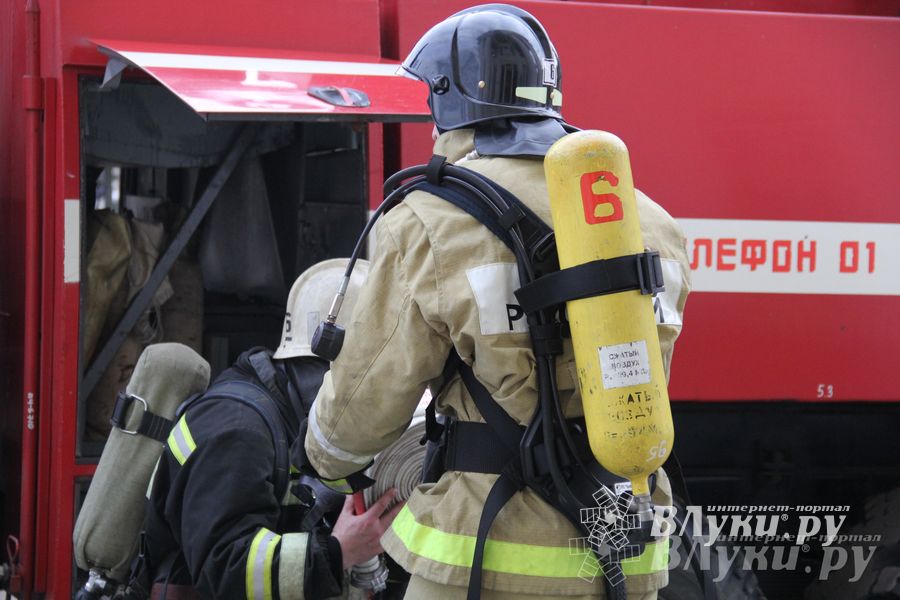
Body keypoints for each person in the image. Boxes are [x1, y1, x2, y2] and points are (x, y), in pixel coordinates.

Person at [303, 5, 691, 599]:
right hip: (624, 553)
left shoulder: (431, 220)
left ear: (446, 102)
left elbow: (366, 402)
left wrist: (326, 456)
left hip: (485, 555)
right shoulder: (651, 222)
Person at [142, 258, 403, 600]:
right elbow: (225, 571)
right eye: (367, 376)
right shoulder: (236, 431)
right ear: (333, 367)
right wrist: (339, 551)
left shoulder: (291, 418)